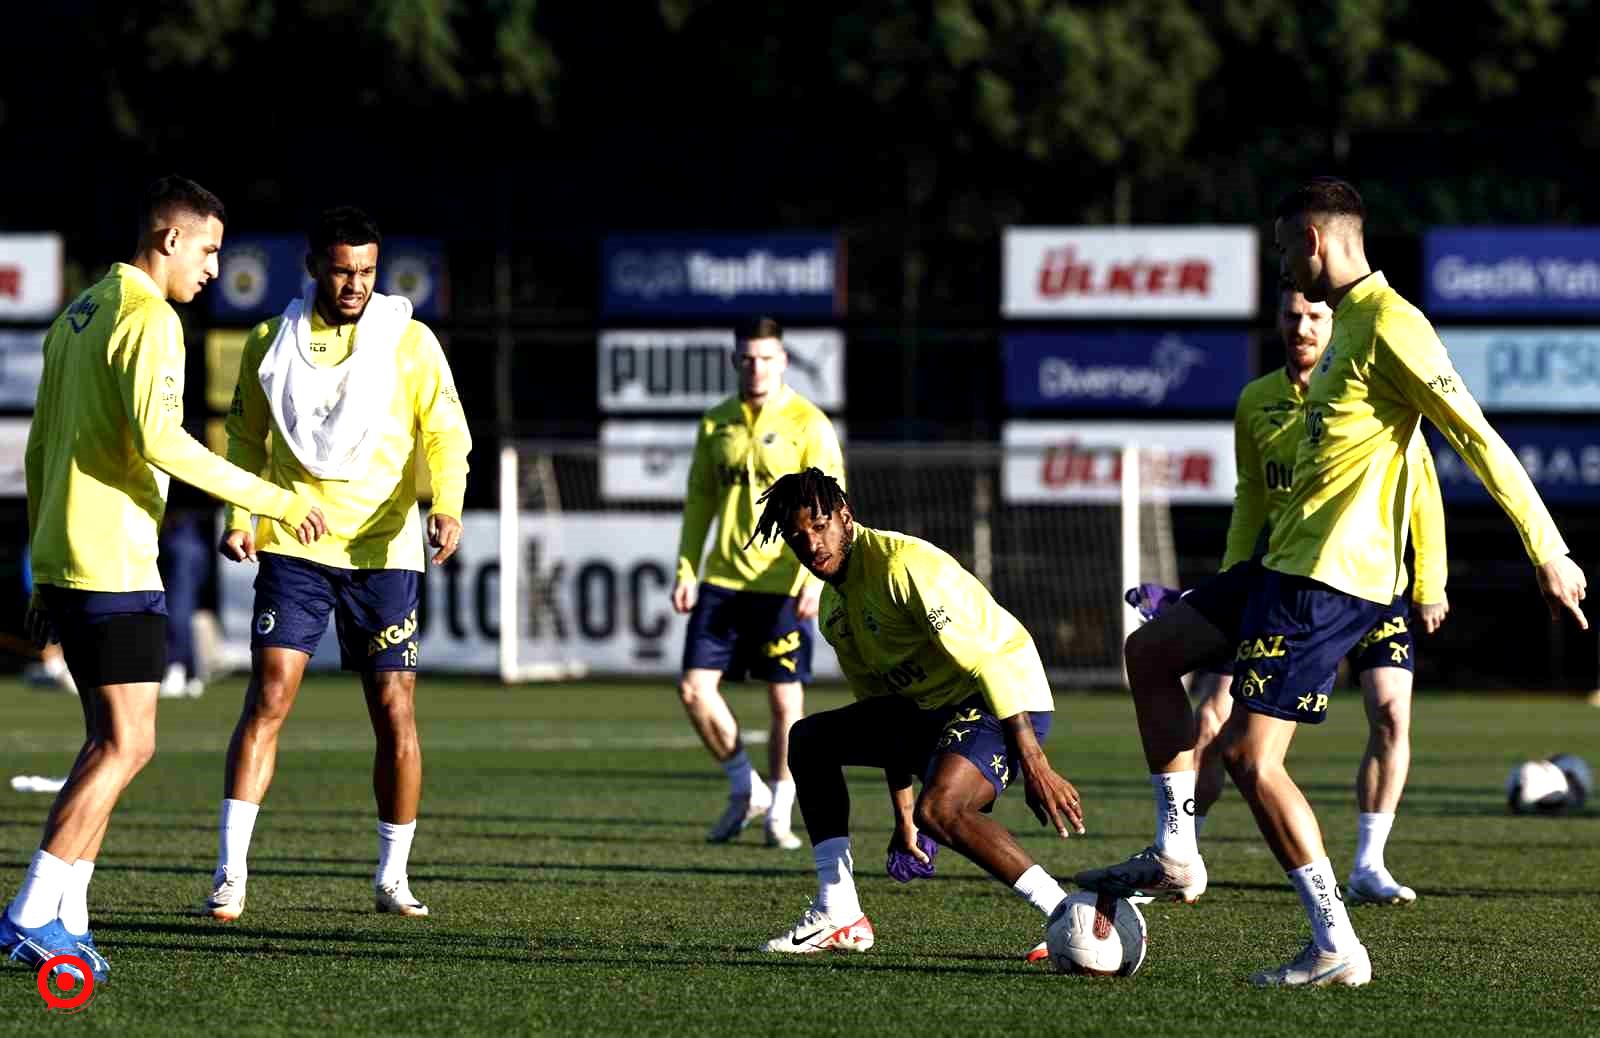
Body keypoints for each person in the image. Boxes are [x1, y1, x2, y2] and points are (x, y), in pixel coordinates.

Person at [1075, 177, 1586, 988]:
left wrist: (1546, 548)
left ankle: (1336, 942)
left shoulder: (1393, 326)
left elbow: (1476, 438)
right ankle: (1176, 850)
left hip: (1331, 581)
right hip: (1280, 566)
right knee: (1152, 651)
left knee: (1250, 757)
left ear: (1314, 240)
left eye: (1284, 251)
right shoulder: (1340, 327)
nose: (1284, 273)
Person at [1, 175, 326, 982]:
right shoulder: (151, 318)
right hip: (112, 556)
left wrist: (42, 565)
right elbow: (164, 442)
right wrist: (273, 499)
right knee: (128, 742)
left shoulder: (79, 314)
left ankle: (67, 917)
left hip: (71, 556)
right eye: (210, 249)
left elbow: (42, 447)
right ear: (169, 238)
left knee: (109, 741)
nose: (215, 268)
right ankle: (27, 914)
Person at [201, 206, 471, 922]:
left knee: (394, 709)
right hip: (295, 544)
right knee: (270, 694)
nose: (355, 284)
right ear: (317, 265)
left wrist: (447, 504)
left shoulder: (409, 341)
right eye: (344, 269)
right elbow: (245, 439)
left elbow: (445, 433)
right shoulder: (271, 340)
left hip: (384, 552)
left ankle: (392, 875)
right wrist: (241, 517)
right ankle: (230, 874)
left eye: (368, 271)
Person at [746, 468, 1085, 955]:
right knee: (809, 740)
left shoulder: (903, 566)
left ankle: (1068, 913)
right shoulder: (833, 612)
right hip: (931, 709)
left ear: (845, 516)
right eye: (798, 537)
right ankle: (839, 911)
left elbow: (987, 662)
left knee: (942, 809)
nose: (812, 543)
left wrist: (1035, 763)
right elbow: (886, 717)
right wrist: (903, 817)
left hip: (1003, 697)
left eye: (820, 526)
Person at [1185, 285, 1450, 906]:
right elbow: (1251, 494)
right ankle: (1184, 851)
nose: (1300, 327)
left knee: (1390, 713)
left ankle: (1369, 862)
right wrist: (1228, 579)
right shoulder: (1257, 401)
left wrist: (1428, 582)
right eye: (1290, 316)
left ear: (1337, 324)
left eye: (1313, 316)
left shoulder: (1377, 394)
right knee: (1214, 721)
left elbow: (1424, 494)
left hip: (1373, 584)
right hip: (1280, 581)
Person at [671, 318, 844, 849]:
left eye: (766, 357)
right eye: (747, 358)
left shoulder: (807, 422)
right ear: (734, 361)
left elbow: (830, 508)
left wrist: (815, 578)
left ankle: (779, 813)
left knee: (784, 703)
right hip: (722, 578)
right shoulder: (716, 422)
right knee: (694, 691)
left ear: (784, 361)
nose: (756, 366)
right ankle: (746, 787)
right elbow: (701, 498)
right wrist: (686, 566)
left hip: (782, 581)